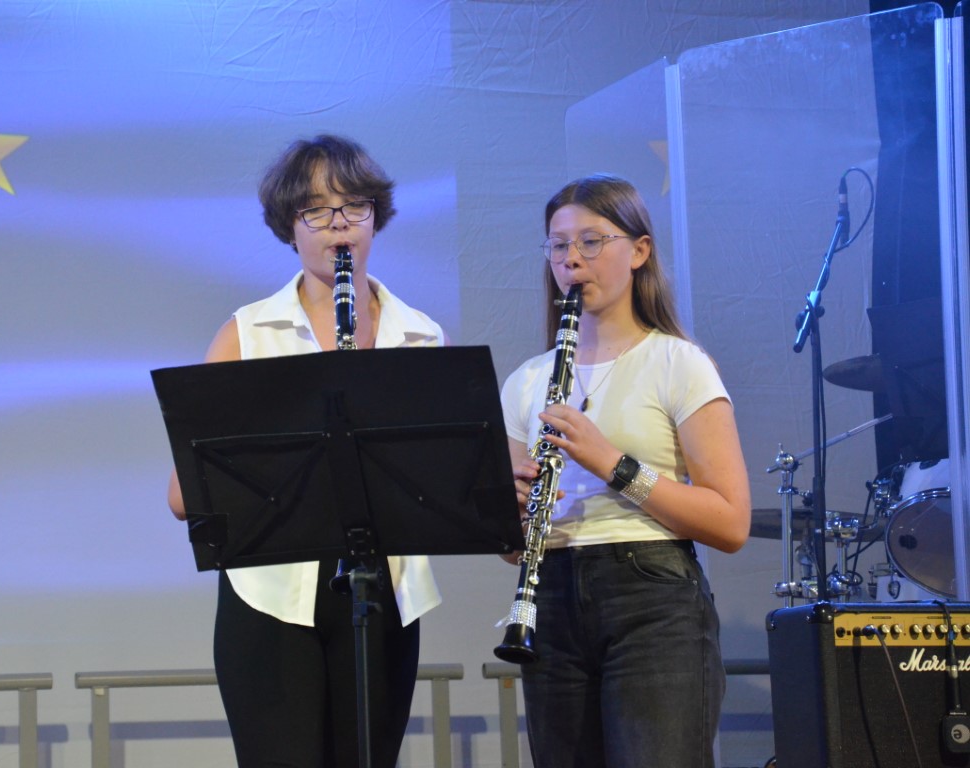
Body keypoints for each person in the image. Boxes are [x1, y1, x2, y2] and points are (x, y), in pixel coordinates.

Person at [166, 134, 444, 767]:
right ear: (289, 226)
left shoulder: (422, 337)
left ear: (376, 217)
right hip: (269, 599)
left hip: (383, 593)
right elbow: (184, 496)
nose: (337, 224)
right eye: (315, 211)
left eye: (353, 207)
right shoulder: (247, 333)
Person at [501, 174, 751, 767]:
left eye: (591, 241)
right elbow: (512, 548)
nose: (571, 259)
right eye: (558, 245)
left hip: (653, 598)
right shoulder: (527, 381)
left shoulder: (678, 363)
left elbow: (730, 522)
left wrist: (613, 465)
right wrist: (507, 517)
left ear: (639, 252)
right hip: (551, 598)